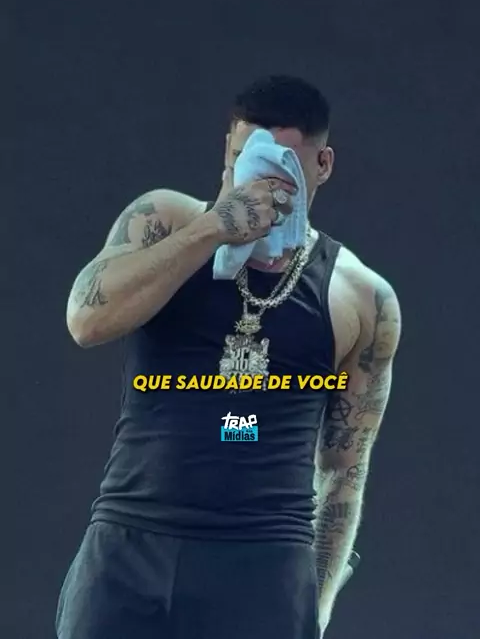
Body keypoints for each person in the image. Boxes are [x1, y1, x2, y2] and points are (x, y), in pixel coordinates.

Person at [56, 75, 401, 639]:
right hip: (131, 544)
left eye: (281, 172)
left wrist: (316, 603)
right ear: (227, 153)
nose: (260, 186)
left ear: (321, 166)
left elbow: (344, 469)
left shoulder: (360, 297)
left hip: (263, 562)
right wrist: (215, 227)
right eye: (245, 162)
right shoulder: (166, 221)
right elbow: (86, 321)